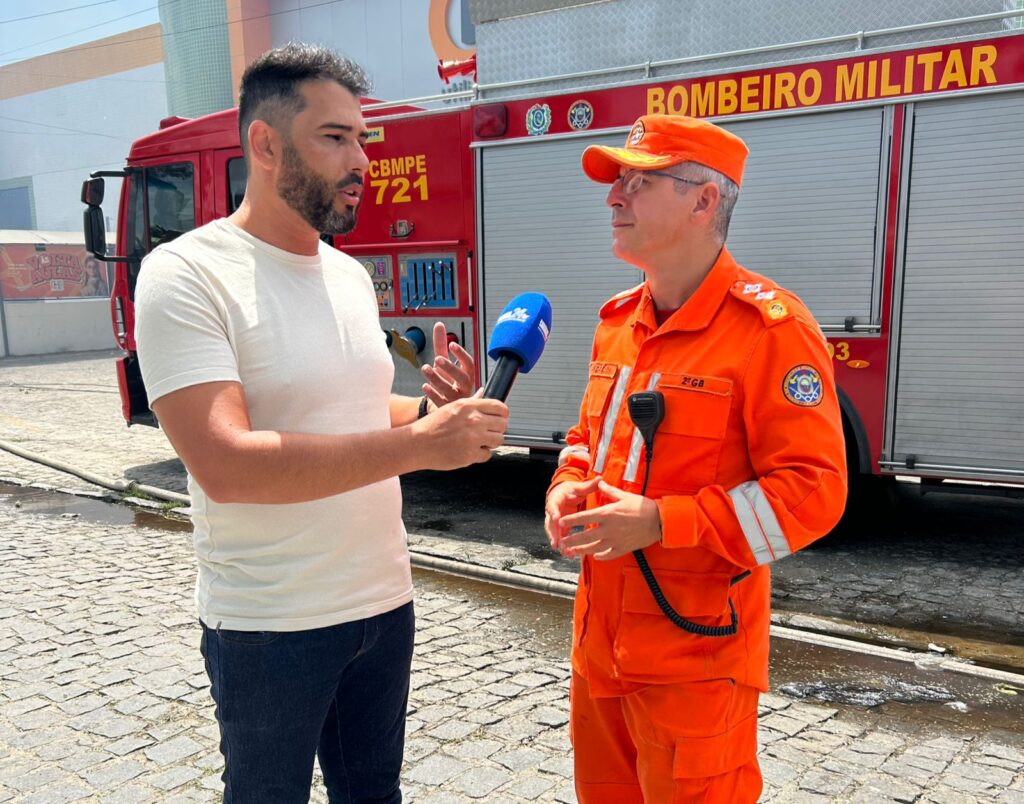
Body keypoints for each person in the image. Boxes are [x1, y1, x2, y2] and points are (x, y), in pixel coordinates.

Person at [133, 43, 508, 803]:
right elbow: (227, 465)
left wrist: (433, 412)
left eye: (361, 139)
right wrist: (418, 444)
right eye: (335, 138)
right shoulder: (187, 274)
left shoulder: (346, 274)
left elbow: (355, 411)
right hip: (271, 625)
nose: (361, 160)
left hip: (383, 604)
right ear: (265, 144)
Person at [544, 114, 847, 803]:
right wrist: (566, 484)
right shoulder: (618, 322)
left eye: (638, 183)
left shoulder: (769, 332)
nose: (613, 197)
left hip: (696, 666)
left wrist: (663, 522)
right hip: (600, 657)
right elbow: (587, 439)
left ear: (704, 201)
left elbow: (813, 494)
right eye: (618, 182)